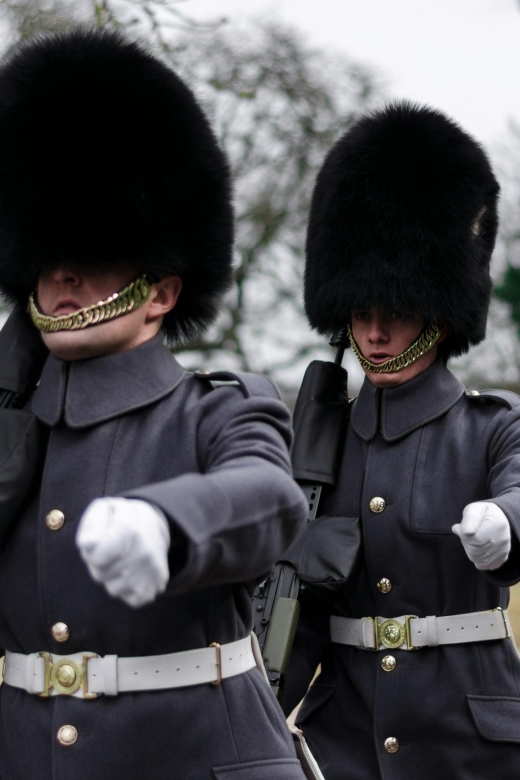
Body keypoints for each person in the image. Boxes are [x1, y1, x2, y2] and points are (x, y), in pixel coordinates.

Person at [0, 29, 308, 780]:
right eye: (47, 252)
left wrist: (169, 524)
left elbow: (269, 499)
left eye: (97, 256)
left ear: (162, 292)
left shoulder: (222, 409)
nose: (64, 269)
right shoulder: (13, 419)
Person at [282, 102, 520, 779]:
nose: (376, 334)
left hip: (470, 740)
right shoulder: (318, 449)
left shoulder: (492, 425)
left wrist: (506, 520)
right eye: (361, 314)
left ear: (439, 317)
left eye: (395, 313)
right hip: (345, 741)